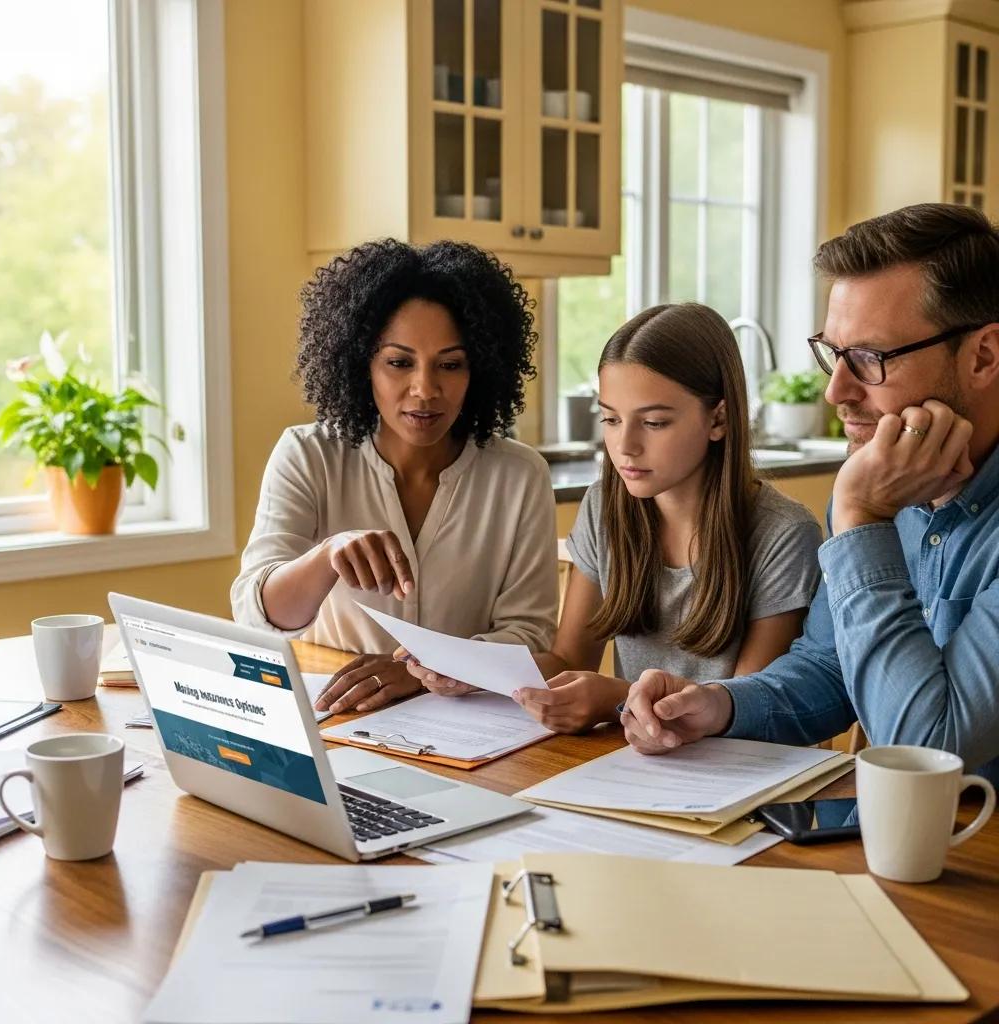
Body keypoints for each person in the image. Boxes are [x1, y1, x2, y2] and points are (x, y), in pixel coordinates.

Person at [620, 203, 999, 787]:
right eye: (833, 353)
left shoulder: (868, 497)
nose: (836, 391)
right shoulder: (884, 483)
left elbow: (928, 748)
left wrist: (860, 518)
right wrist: (719, 705)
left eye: (871, 359)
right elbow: (830, 667)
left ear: (983, 356)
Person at [406, 302, 823, 732]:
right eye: (610, 418)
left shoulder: (782, 533)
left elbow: (748, 710)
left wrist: (615, 701)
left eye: (655, 422)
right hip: (636, 763)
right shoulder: (606, 505)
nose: (625, 446)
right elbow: (568, 660)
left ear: (717, 418)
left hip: (739, 779)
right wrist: (476, 674)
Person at [231, 238, 557, 713]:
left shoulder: (520, 476)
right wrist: (328, 555)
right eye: (399, 362)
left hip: (469, 723)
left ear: (480, 369)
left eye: (450, 364)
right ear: (361, 363)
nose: (425, 389)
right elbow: (256, 615)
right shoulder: (307, 455)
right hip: (334, 713)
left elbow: (529, 635)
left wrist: (418, 672)